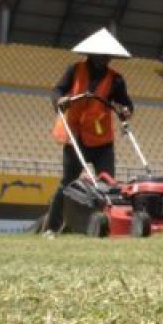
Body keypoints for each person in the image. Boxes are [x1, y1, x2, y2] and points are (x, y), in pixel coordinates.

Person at [43, 28, 134, 234]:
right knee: (67, 184)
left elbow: (126, 104)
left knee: (108, 185)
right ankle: (52, 228)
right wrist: (60, 100)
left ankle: (106, 227)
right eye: (101, 55)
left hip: (102, 141)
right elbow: (57, 90)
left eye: (108, 56)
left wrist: (126, 110)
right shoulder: (74, 70)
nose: (104, 59)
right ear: (91, 54)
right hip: (75, 138)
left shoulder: (116, 79)